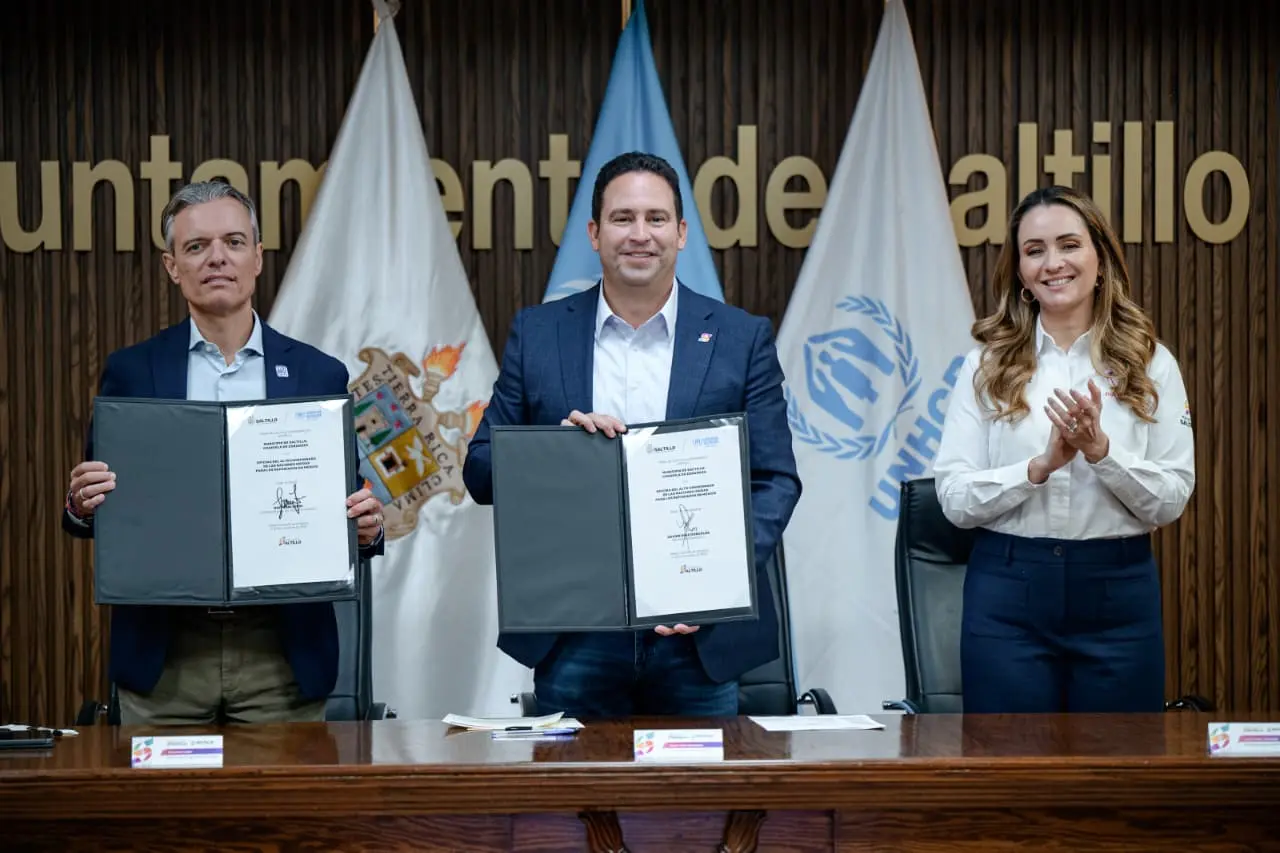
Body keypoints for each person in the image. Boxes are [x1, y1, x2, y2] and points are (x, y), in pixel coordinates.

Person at [462, 151, 801, 718]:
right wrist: (554, 449)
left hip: (697, 636)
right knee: (574, 778)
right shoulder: (539, 333)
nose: (640, 234)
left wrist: (716, 579)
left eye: (656, 218)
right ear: (594, 234)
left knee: (697, 781)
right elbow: (479, 471)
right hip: (576, 630)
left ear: (681, 232)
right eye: (622, 218)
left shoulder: (741, 339)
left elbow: (775, 480)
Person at [62, 180, 386, 725]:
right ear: (172, 266)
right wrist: (81, 504)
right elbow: (98, 514)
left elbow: (345, 506)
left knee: (282, 788)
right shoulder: (133, 371)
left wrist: (367, 528)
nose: (217, 258)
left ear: (257, 258)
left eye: (234, 242)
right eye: (197, 246)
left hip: (280, 655)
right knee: (161, 789)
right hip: (166, 656)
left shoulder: (317, 374)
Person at [933, 185, 1195, 714]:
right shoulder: (986, 365)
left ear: (1100, 260)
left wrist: (1101, 452)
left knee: (1119, 761)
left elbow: (1171, 498)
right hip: (1008, 594)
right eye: (1034, 250)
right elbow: (955, 498)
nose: (1053, 263)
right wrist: (1040, 467)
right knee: (1010, 762)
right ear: (1021, 273)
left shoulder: (1152, 364)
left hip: (1117, 593)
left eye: (1069, 245)